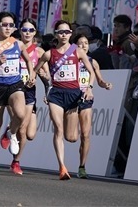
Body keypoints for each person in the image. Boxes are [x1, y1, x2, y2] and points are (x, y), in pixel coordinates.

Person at [33, 20, 97, 180]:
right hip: (56, 94)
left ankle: (74, 164)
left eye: (67, 32)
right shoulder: (49, 53)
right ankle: (62, 166)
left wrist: (89, 87)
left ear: (70, 34)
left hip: (73, 95)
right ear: (56, 34)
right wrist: (42, 80)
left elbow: (91, 72)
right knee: (58, 130)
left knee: (72, 137)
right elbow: (35, 68)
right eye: (61, 32)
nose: (64, 35)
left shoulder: (78, 52)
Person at [0, 11, 36, 177]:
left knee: (20, 115)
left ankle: (11, 133)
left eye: (11, 25)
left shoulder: (18, 44)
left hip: (15, 84)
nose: (8, 28)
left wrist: (32, 73)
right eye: (5, 24)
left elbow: (28, 60)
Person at [2, 18, 48, 175]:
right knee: (22, 128)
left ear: (35, 32)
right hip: (13, 89)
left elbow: (47, 76)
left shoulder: (39, 52)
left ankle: (9, 130)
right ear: (19, 31)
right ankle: (16, 162)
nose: (27, 33)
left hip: (29, 92)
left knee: (30, 134)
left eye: (31, 30)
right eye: (24, 30)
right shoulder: (11, 46)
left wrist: (42, 75)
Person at [74, 31, 113, 178]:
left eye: (85, 43)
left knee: (85, 135)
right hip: (69, 99)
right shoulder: (70, 60)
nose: (83, 46)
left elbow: (100, 81)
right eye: (80, 43)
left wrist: (106, 84)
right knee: (71, 136)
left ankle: (82, 166)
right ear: (74, 46)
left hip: (86, 99)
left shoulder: (92, 62)